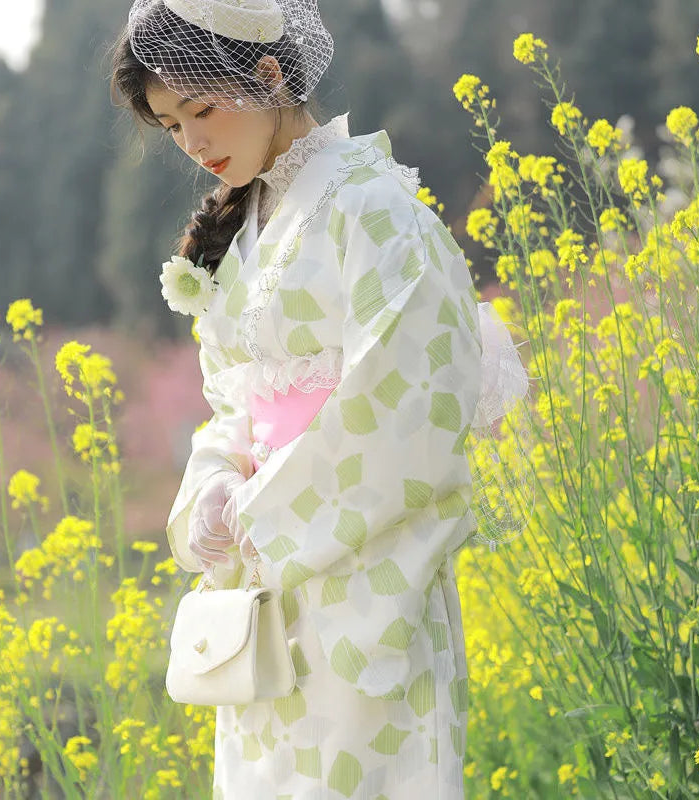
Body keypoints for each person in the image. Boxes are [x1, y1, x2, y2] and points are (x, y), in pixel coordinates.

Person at [111, 1, 530, 796]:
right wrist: (212, 485)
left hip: (367, 585)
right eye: (170, 126)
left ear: (268, 75)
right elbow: (233, 402)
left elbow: (412, 403)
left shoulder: (374, 207)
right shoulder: (253, 223)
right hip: (266, 594)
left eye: (201, 109)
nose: (193, 143)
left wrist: (264, 509)